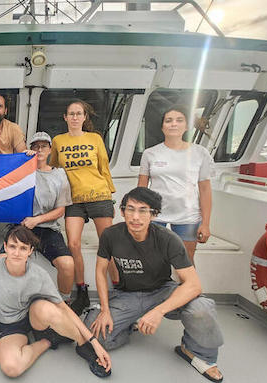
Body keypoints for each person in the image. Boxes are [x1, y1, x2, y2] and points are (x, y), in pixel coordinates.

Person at [85, 187, 223, 382]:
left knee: (201, 308)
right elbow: (100, 270)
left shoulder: (168, 239)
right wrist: (105, 310)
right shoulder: (110, 235)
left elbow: (193, 285)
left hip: (162, 291)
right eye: (130, 209)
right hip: (128, 295)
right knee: (91, 334)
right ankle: (126, 327)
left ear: (154, 214)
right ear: (122, 211)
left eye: (143, 210)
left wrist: (158, 312)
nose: (135, 217)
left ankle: (199, 355)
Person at [0, 225, 111, 379]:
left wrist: (93, 342)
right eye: (13, 246)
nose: (17, 252)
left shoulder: (38, 274)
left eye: (23, 248)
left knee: (49, 309)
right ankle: (48, 340)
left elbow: (64, 310)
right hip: (9, 325)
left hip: (33, 316)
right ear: (6, 247)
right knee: (11, 368)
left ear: (30, 251)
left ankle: (83, 346)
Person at [49, 100, 116, 315]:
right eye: (72, 114)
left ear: (85, 117)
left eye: (79, 113)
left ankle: (119, 288)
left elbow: (103, 167)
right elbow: (54, 168)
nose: (75, 117)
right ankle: (82, 291)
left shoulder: (95, 139)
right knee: (74, 244)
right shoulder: (58, 141)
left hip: (99, 195)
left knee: (108, 245)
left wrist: (109, 193)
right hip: (73, 200)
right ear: (65, 118)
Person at [138, 104, 214, 265]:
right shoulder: (149, 154)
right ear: (162, 126)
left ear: (186, 126)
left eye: (179, 120)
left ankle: (190, 290)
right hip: (155, 216)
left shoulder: (200, 153)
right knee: (154, 261)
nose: (173, 124)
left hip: (188, 217)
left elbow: (205, 190)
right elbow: (141, 190)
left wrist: (205, 224)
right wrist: (140, 217)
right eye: (168, 120)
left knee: (186, 262)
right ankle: (160, 290)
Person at [10, 131, 75, 300]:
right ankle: (10, 302)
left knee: (67, 265)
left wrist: (36, 220)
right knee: (3, 259)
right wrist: (22, 159)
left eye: (43, 146)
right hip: (21, 227)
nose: (39, 149)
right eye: (35, 146)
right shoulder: (21, 170)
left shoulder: (59, 175)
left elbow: (60, 210)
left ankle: (64, 303)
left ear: (50, 150)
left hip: (47, 228)